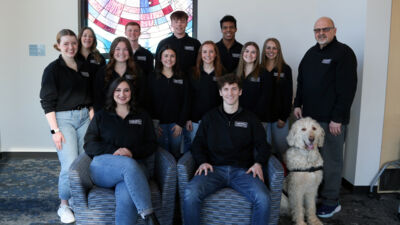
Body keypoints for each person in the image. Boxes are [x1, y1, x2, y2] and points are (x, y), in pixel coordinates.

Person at [183, 74, 271, 225]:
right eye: (226, 89)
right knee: (190, 193)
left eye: (234, 89)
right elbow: (197, 144)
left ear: (240, 92)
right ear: (220, 92)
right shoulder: (209, 117)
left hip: (243, 171)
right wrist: (202, 162)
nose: (230, 93)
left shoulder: (250, 118)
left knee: (263, 198)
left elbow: (263, 145)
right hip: (213, 170)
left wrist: (258, 163)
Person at [293, 17, 357, 218]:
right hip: (311, 121)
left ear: (334, 30)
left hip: (332, 122)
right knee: (314, 160)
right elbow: (301, 81)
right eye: (317, 30)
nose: (320, 33)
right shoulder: (310, 54)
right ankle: (319, 195)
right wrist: (297, 104)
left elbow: (347, 88)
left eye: (325, 29)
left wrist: (337, 118)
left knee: (331, 161)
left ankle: (331, 201)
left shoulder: (344, 53)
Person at [84, 77, 160, 225]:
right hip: (104, 168)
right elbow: (89, 145)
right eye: (118, 90)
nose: (122, 94)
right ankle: (149, 215)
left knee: (126, 195)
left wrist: (132, 153)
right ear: (112, 93)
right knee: (127, 165)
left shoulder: (142, 116)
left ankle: (148, 218)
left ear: (131, 93)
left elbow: (152, 145)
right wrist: (114, 150)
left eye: (126, 90)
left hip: (137, 166)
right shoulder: (101, 116)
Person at [39, 29, 94, 223]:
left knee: (84, 160)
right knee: (69, 164)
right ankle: (63, 205)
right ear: (58, 46)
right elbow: (46, 102)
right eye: (66, 44)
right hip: (64, 120)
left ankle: (76, 199)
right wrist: (55, 131)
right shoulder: (52, 70)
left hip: (85, 118)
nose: (70, 47)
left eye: (73, 43)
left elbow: (92, 94)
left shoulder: (85, 67)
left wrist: (92, 113)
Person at [147, 45, 189, 159]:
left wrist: (180, 123)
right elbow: (148, 101)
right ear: (160, 58)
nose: (169, 59)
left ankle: (173, 176)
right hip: (159, 125)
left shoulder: (182, 77)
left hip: (176, 125)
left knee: (175, 154)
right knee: (161, 156)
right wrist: (154, 124)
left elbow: (186, 101)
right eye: (166, 56)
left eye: (172, 56)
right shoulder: (152, 77)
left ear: (176, 58)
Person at [184, 41, 224, 152]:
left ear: (216, 54)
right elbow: (187, 97)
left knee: (212, 149)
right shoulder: (192, 72)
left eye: (211, 52)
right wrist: (188, 118)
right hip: (195, 120)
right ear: (200, 54)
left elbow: (225, 99)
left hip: (215, 120)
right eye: (205, 52)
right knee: (194, 149)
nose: (208, 55)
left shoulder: (222, 73)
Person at [260, 38, 293, 161]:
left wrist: (284, 117)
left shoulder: (285, 69)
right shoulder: (259, 69)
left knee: (283, 150)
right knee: (264, 149)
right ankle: (269, 178)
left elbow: (288, 94)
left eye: (274, 48)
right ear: (264, 50)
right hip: (262, 118)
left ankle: (285, 178)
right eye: (268, 47)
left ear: (278, 50)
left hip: (279, 119)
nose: (271, 51)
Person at [93, 37, 145, 112]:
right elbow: (98, 98)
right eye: (118, 49)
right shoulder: (102, 72)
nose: (121, 52)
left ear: (130, 52)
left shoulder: (137, 71)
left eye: (125, 49)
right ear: (112, 51)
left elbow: (142, 97)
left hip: (132, 115)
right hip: (107, 116)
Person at [155, 10, 201, 75]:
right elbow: (157, 65)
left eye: (182, 22)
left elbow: (199, 64)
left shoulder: (195, 43)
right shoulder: (163, 43)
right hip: (168, 80)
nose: (179, 25)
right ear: (172, 24)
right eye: (176, 22)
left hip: (190, 80)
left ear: (186, 23)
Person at [236, 42, 271, 126]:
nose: (249, 54)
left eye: (253, 52)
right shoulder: (236, 72)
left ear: (257, 55)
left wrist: (254, 117)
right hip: (239, 117)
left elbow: (266, 97)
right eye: (247, 51)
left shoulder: (264, 73)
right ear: (243, 53)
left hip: (258, 118)